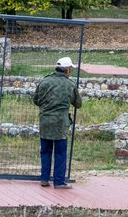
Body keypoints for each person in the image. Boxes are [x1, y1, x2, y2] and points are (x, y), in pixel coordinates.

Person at [33, 57, 82, 189]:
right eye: (70, 69)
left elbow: (36, 100)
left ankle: (44, 179)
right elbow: (78, 104)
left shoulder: (44, 81)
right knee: (60, 153)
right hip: (61, 123)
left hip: (45, 121)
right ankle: (59, 181)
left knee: (45, 151)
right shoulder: (70, 84)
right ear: (67, 70)